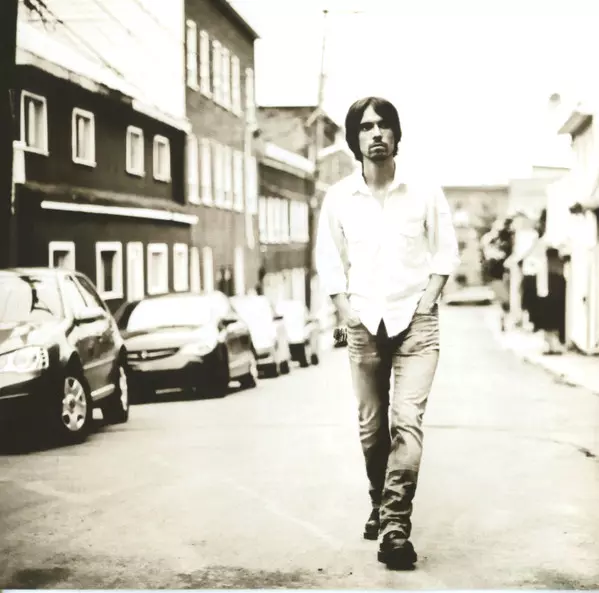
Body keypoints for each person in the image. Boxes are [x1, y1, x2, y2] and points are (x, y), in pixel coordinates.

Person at [315, 96, 460, 570]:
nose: (376, 133)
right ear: (354, 139)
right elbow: (329, 260)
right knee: (371, 428)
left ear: (396, 135)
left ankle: (395, 525)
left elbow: (446, 251)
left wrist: (429, 299)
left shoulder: (423, 191)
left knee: (407, 420)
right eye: (366, 126)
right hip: (363, 323)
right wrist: (346, 311)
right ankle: (379, 500)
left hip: (416, 321)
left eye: (384, 125)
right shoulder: (339, 198)